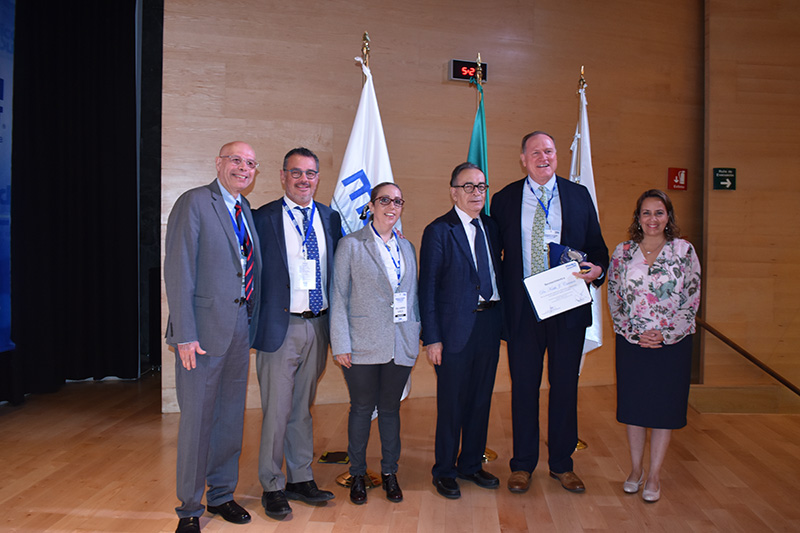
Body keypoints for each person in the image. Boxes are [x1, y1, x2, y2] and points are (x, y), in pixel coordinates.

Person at [491, 131, 608, 494]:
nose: (544, 157)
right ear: (523, 159)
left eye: (549, 151)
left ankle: (562, 464)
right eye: (536, 152)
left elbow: (598, 249)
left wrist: (597, 270)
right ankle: (522, 465)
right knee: (524, 388)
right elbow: (494, 257)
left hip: (567, 306)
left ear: (557, 156)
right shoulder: (504, 199)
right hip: (524, 310)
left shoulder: (578, 195)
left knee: (565, 386)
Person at [164, 141, 262, 533]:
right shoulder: (195, 202)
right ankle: (190, 507)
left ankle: (221, 495)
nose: (243, 168)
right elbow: (179, 270)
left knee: (230, 418)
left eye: (250, 163)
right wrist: (185, 334)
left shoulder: (245, 208)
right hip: (201, 335)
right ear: (219, 163)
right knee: (198, 422)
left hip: (238, 328)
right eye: (236, 160)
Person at [251, 147, 341, 518]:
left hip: (318, 324)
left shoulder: (330, 218)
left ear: (318, 178)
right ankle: (272, 484)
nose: (304, 180)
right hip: (280, 326)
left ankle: (300, 478)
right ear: (283, 176)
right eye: (296, 172)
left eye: (310, 173)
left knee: (302, 407)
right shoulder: (263, 218)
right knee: (277, 410)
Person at [607, 189, 701, 503]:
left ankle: (655, 475)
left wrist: (665, 334)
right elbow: (614, 298)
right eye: (646, 213)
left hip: (672, 345)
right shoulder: (622, 252)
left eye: (659, 212)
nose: (652, 219)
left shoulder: (684, 251)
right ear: (638, 217)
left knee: (663, 410)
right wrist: (635, 334)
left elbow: (691, 299)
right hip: (632, 343)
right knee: (634, 409)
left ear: (668, 216)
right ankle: (636, 469)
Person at [330, 182, 420, 505]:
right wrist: (341, 342)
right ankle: (357, 474)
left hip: (400, 343)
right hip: (361, 344)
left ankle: (390, 472)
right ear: (370, 206)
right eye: (385, 200)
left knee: (391, 409)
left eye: (398, 201)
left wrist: (414, 335)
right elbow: (338, 296)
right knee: (362, 408)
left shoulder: (406, 247)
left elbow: (412, 297)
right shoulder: (351, 245)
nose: (392, 206)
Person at [419, 162, 503, 499]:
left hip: (489, 324)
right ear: (454, 192)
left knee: (481, 399)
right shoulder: (439, 230)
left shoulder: (492, 227)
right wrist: (432, 338)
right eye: (468, 187)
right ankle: (444, 470)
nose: (476, 193)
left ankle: (471, 464)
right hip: (453, 331)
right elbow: (428, 288)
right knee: (452, 404)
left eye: (481, 186)